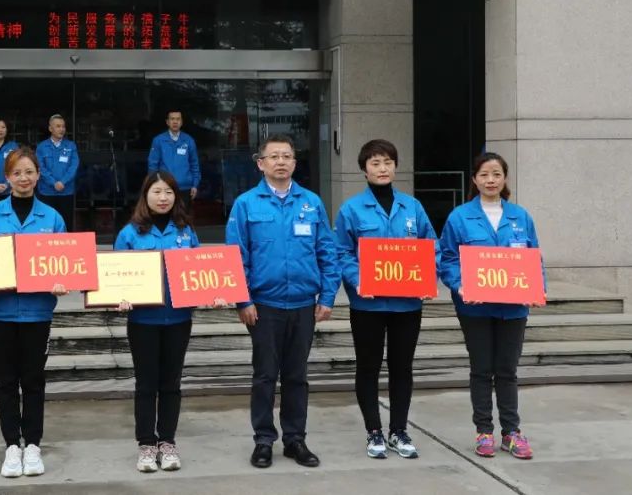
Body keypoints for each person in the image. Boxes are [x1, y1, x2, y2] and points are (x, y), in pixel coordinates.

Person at [226, 133, 339, 469]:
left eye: (287, 156)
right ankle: (263, 441)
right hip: (263, 306)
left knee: (296, 376)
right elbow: (236, 256)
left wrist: (327, 296)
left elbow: (327, 251)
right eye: (273, 156)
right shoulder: (246, 204)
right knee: (264, 376)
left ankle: (295, 440)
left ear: (294, 162)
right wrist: (243, 301)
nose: (281, 162)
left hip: (303, 305)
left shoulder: (311, 202)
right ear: (260, 164)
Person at [114, 171, 225, 473]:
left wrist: (214, 293)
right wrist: (119, 297)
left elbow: (201, 272)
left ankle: (167, 442)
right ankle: (146, 445)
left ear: (176, 197)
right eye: (156, 192)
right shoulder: (129, 233)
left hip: (178, 318)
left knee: (171, 383)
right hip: (143, 321)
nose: (163, 198)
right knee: (146, 384)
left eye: (168, 192)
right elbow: (114, 275)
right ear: (145, 195)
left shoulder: (186, 231)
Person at [334, 139, 438, 460]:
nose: (382, 169)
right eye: (375, 163)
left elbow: (431, 245)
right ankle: (374, 431)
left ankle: (398, 431)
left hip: (407, 304)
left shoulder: (412, 207)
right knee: (368, 367)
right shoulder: (351, 209)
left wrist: (427, 278)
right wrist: (358, 280)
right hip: (368, 304)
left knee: (401, 368)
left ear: (396, 167)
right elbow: (342, 253)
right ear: (364, 169)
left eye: (388, 162)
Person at [0, 146, 68, 479]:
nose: (23, 178)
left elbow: (66, 263)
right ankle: (12, 445)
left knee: (34, 381)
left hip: (37, 313)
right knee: (6, 382)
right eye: (16, 173)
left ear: (38, 175)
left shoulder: (52, 218)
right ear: (7, 177)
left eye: (29, 172)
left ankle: (34, 445)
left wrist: (62, 281)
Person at [439, 152, 544, 461]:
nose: (490, 180)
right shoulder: (460, 217)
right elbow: (447, 258)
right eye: (484, 174)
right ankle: (484, 431)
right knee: (482, 369)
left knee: (508, 370)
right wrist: (460, 285)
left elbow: (534, 257)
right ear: (474, 179)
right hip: (476, 308)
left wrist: (538, 289)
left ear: (504, 178)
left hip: (513, 308)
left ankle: (511, 432)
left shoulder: (520, 216)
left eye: (496, 174)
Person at [146, 110, 201, 210]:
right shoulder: (158, 140)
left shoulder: (189, 140)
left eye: (178, 119)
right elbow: (153, 165)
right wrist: (154, 184)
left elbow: (194, 164)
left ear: (182, 122)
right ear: (167, 122)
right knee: (166, 216)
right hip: (165, 187)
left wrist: (195, 184)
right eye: (172, 119)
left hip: (185, 188)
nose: (175, 122)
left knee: (183, 216)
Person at [36, 113, 79, 232]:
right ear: (50, 128)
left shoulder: (71, 146)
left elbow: (74, 166)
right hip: (47, 192)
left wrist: (62, 182)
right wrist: (53, 182)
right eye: (58, 126)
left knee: (66, 224)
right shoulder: (42, 147)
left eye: (63, 126)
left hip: (66, 192)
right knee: (46, 225)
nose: (61, 129)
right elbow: (40, 167)